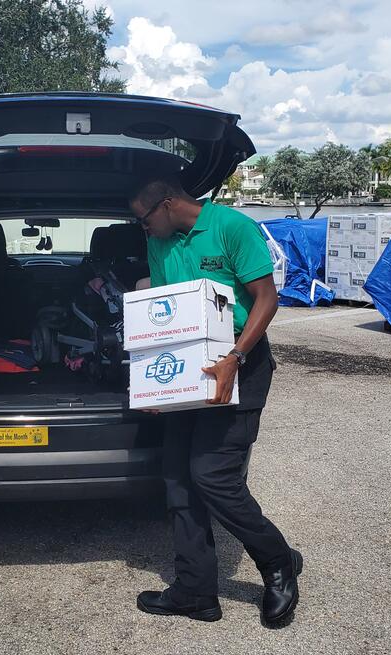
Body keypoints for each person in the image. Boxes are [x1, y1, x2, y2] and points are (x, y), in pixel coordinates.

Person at [128, 175, 301, 629]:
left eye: (144, 220)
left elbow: (267, 298)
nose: (141, 229)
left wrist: (235, 358)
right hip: (190, 368)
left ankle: (278, 562)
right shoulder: (160, 242)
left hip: (241, 364)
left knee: (214, 477)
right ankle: (196, 592)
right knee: (178, 479)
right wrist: (153, 385)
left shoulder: (231, 227)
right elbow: (165, 311)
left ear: (166, 204)